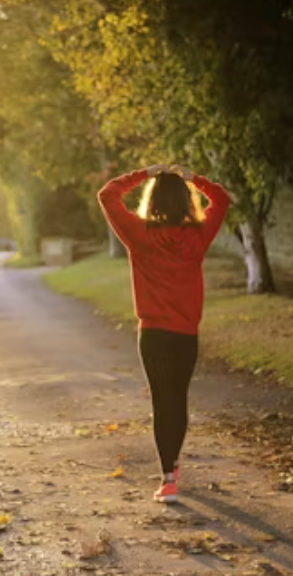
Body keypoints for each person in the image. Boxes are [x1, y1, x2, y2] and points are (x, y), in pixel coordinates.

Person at [97, 163, 231, 503]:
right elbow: (222, 198)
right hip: (186, 334)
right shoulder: (198, 235)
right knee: (178, 399)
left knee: (162, 402)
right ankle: (172, 465)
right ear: (186, 201)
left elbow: (107, 195)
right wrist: (194, 178)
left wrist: (144, 173)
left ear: (152, 200)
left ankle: (168, 478)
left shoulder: (139, 234)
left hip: (153, 334)